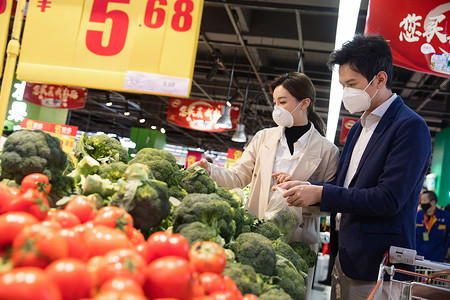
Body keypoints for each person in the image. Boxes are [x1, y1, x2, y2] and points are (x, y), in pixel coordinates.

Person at [274, 34, 432, 300]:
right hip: (345, 257)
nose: (347, 92)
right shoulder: (359, 127)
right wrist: (309, 186)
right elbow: (345, 188)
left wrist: (322, 194)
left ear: (380, 79)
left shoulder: (409, 127)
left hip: (379, 266)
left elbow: (388, 199)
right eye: (342, 85)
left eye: (352, 84)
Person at [193, 72, 339, 299]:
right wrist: (211, 170)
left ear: (305, 103)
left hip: (297, 241)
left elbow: (331, 200)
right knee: (249, 290)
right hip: (255, 232)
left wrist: (303, 191)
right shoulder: (263, 138)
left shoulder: (328, 151)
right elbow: (239, 176)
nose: (276, 109)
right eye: (275, 103)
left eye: (282, 102)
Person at [416, 190, 450, 262]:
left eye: (424, 200)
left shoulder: (446, 217)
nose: (422, 203)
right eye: (421, 200)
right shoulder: (418, 216)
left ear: (433, 202)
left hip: (436, 261)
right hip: (418, 259)